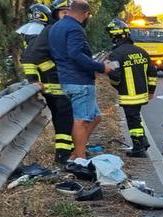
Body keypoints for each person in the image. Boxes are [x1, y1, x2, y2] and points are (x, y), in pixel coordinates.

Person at [48, 0, 112, 164]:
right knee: (81, 120)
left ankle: (77, 151)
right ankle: (80, 158)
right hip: (79, 81)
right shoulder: (75, 28)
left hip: (66, 79)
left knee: (95, 117)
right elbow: (76, 54)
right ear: (85, 14)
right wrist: (100, 67)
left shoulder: (56, 27)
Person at [20, 2, 75, 164]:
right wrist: (34, 81)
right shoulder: (45, 32)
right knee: (64, 120)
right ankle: (63, 155)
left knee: (64, 120)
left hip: (55, 85)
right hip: (54, 86)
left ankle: (66, 152)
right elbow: (29, 59)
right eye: (63, 13)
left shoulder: (42, 32)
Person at [105, 18, 157, 158]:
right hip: (142, 94)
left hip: (128, 95)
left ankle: (139, 148)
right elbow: (152, 73)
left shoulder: (115, 55)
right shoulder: (141, 51)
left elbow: (115, 77)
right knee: (136, 118)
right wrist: (151, 91)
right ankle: (142, 142)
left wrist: (117, 87)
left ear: (114, 37)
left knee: (133, 121)